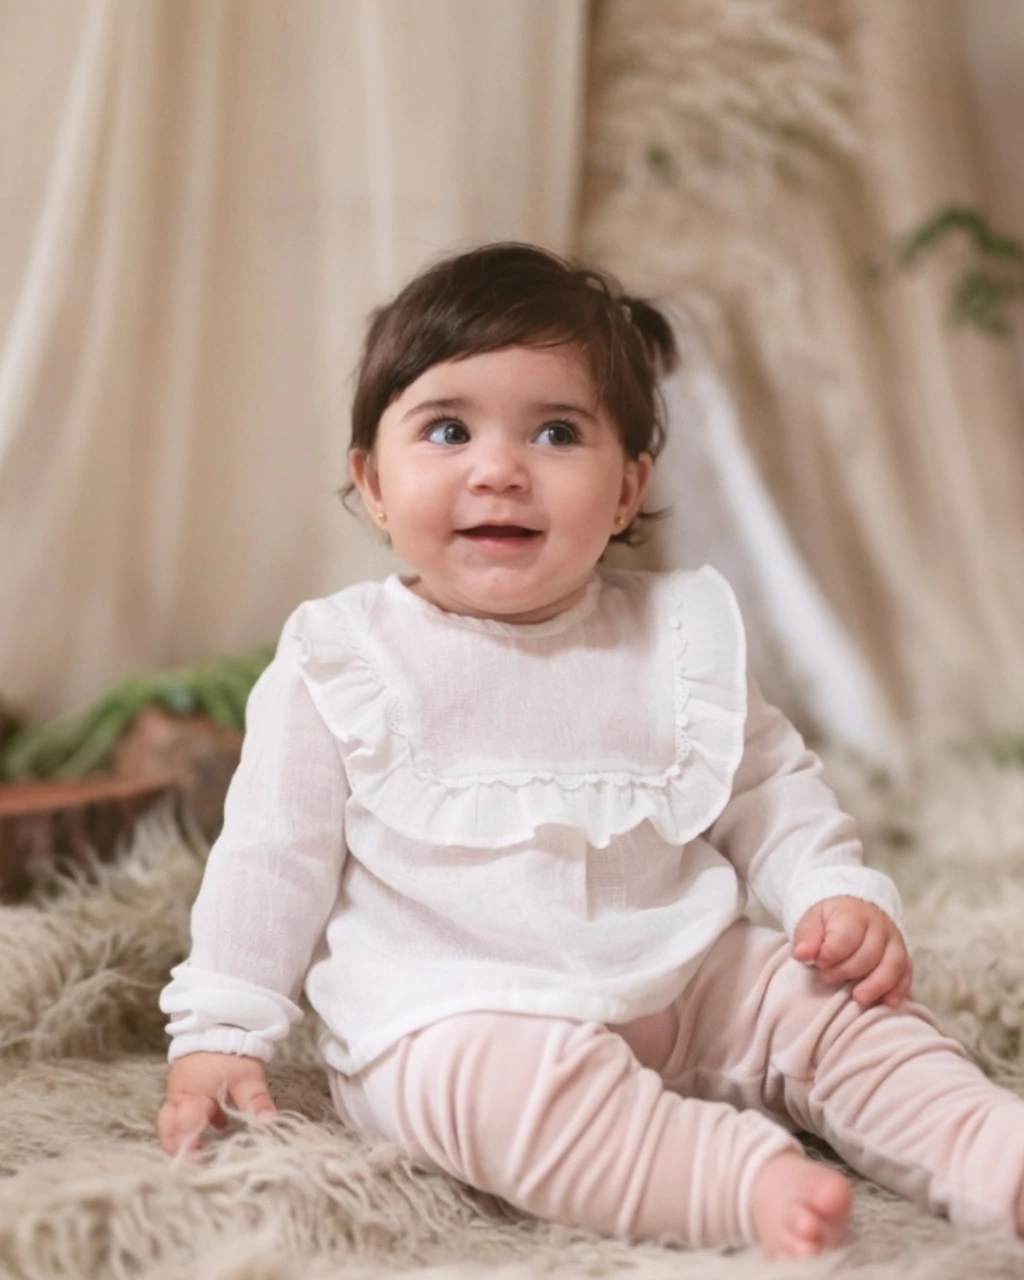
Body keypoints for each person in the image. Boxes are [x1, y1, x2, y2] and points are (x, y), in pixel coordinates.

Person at [158, 243, 1024, 1259]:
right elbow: (270, 860)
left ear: (626, 489)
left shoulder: (675, 635)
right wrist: (221, 1031)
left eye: (557, 432)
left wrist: (829, 890)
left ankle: (987, 1151)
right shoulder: (342, 657)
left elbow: (767, 785)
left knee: (837, 1011)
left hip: (684, 975)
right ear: (373, 481)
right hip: (454, 1005)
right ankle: (727, 1178)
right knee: (483, 1089)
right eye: (447, 429)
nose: (498, 469)